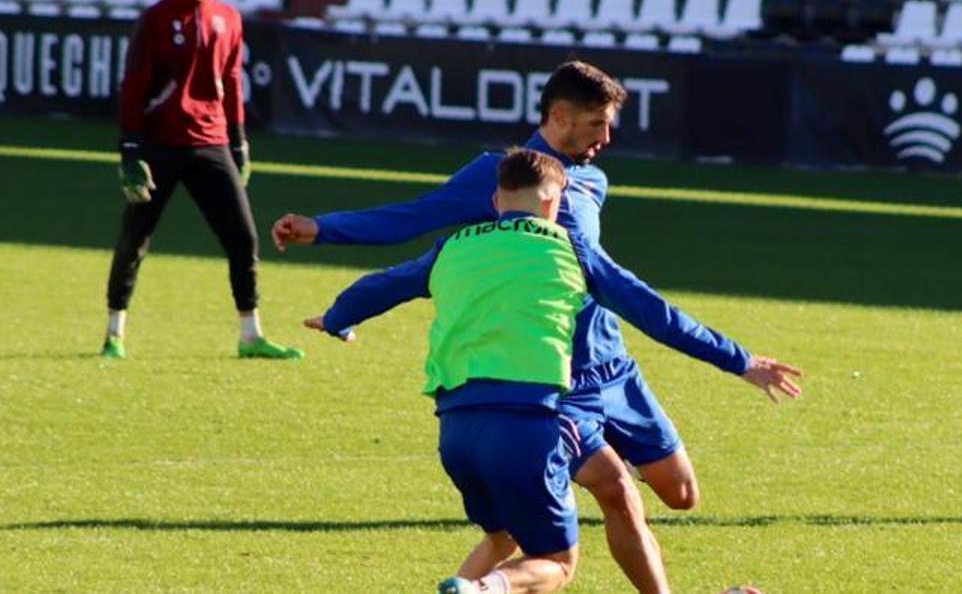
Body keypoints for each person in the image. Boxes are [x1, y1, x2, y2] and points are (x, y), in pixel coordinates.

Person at [273, 61, 716, 591]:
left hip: (612, 363)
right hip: (554, 374)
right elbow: (414, 216)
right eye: (597, 123)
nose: (607, 136)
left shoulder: (592, 179)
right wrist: (323, 230)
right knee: (607, 497)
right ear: (559, 115)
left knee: (681, 493)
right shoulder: (499, 174)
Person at [304, 148, 802, 593]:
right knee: (555, 563)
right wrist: (739, 360)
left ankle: (479, 586)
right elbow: (658, 316)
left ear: (497, 201)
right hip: (531, 421)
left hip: (456, 430)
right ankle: (482, 590)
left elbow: (379, 286)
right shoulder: (570, 250)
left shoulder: (452, 248)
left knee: (546, 516)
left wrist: (337, 319)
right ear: (553, 206)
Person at [100, 0, 301, 361]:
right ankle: (114, 332)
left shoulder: (228, 17)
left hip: (211, 143)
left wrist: (239, 141)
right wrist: (129, 149)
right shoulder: (156, 19)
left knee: (243, 238)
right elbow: (133, 86)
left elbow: (231, 82)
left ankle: (251, 336)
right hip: (159, 144)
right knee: (135, 238)